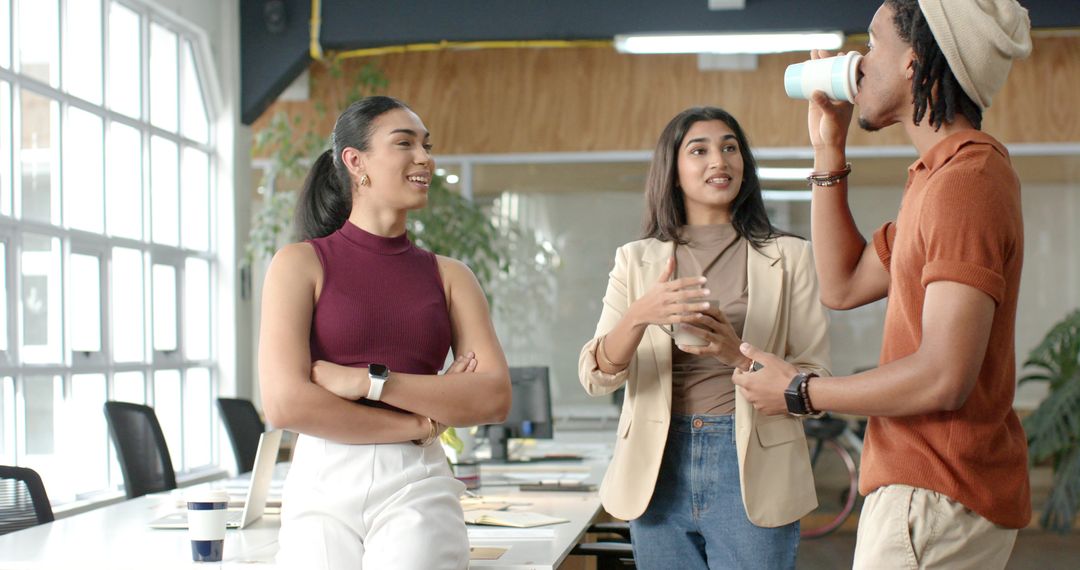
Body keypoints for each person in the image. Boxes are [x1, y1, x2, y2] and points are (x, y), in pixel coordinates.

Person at [734, 1, 1033, 568]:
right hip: (926, 497)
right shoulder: (938, 180)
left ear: (914, 64)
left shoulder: (966, 184)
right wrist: (828, 149)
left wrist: (800, 393)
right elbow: (841, 285)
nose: (859, 60)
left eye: (872, 43)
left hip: (932, 496)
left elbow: (944, 377)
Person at [258, 95, 511, 569]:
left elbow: (493, 397)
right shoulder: (299, 264)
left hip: (416, 480)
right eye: (404, 143)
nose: (424, 158)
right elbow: (285, 404)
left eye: (426, 145)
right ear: (356, 162)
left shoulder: (451, 276)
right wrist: (419, 420)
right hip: (321, 481)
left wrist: (369, 382)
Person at [578, 106, 831, 570]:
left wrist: (738, 354)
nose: (720, 160)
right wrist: (639, 316)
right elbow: (596, 377)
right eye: (700, 150)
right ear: (673, 172)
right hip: (656, 465)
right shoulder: (636, 261)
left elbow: (814, 379)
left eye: (730, 147)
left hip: (752, 463)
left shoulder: (791, 256)